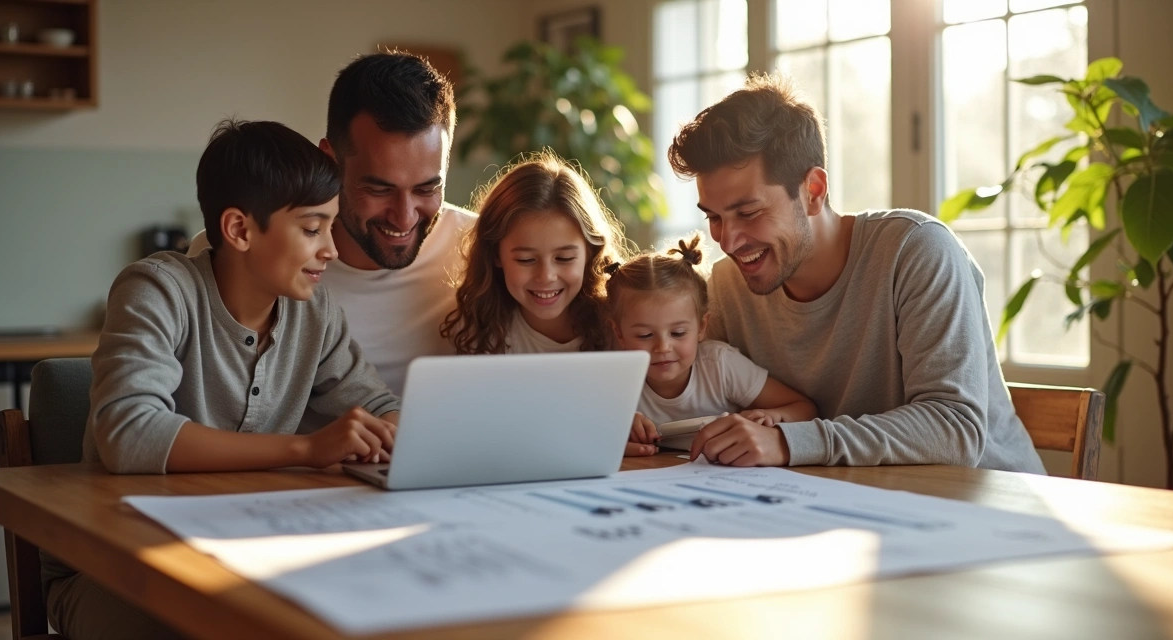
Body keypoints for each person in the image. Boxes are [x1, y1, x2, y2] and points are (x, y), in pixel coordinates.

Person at [48, 119, 401, 640]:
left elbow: (375, 403)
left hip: (243, 556)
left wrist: (390, 431)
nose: (331, 248)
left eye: (330, 226)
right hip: (116, 568)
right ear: (239, 229)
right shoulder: (158, 290)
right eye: (311, 228)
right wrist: (305, 450)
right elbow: (131, 434)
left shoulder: (314, 311)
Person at [667, 73, 1045, 473]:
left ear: (813, 191)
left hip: (993, 510)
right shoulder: (728, 286)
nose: (727, 241)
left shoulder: (916, 251)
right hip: (853, 505)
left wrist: (788, 441)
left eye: (748, 212)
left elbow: (954, 429)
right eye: (714, 218)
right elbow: (705, 404)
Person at [189, 51, 476, 396]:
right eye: (379, 189)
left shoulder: (486, 248)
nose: (404, 216)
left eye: (427, 188)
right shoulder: (234, 255)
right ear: (330, 160)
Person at [605, 233, 817, 458]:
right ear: (619, 333)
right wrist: (616, 428)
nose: (663, 347)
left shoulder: (720, 365)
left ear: (702, 326)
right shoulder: (615, 381)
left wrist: (771, 418)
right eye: (645, 335)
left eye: (678, 333)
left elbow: (804, 408)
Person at [441, 153, 627, 356]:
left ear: (591, 253)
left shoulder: (622, 323)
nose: (546, 276)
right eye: (526, 260)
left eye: (564, 258)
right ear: (495, 255)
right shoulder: (478, 331)